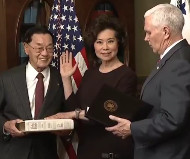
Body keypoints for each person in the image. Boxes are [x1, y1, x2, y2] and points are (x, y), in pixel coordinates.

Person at [105, 4, 190, 159]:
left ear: (165, 32)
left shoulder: (179, 64)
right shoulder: (175, 58)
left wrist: (132, 128)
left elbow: (173, 120)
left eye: (149, 32)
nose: (146, 38)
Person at [47, 14, 137, 159]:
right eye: (99, 42)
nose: (105, 47)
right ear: (93, 45)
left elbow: (106, 114)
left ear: (118, 43)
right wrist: (66, 79)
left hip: (113, 150)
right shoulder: (90, 74)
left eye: (110, 41)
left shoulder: (127, 75)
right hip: (87, 149)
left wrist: (70, 114)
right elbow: (75, 108)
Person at [0, 26, 68, 159]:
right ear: (26, 48)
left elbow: (70, 112)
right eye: (39, 48)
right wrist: (5, 126)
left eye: (49, 48)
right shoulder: (7, 78)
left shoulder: (61, 78)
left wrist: (66, 128)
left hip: (47, 152)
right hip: (12, 152)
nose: (45, 53)